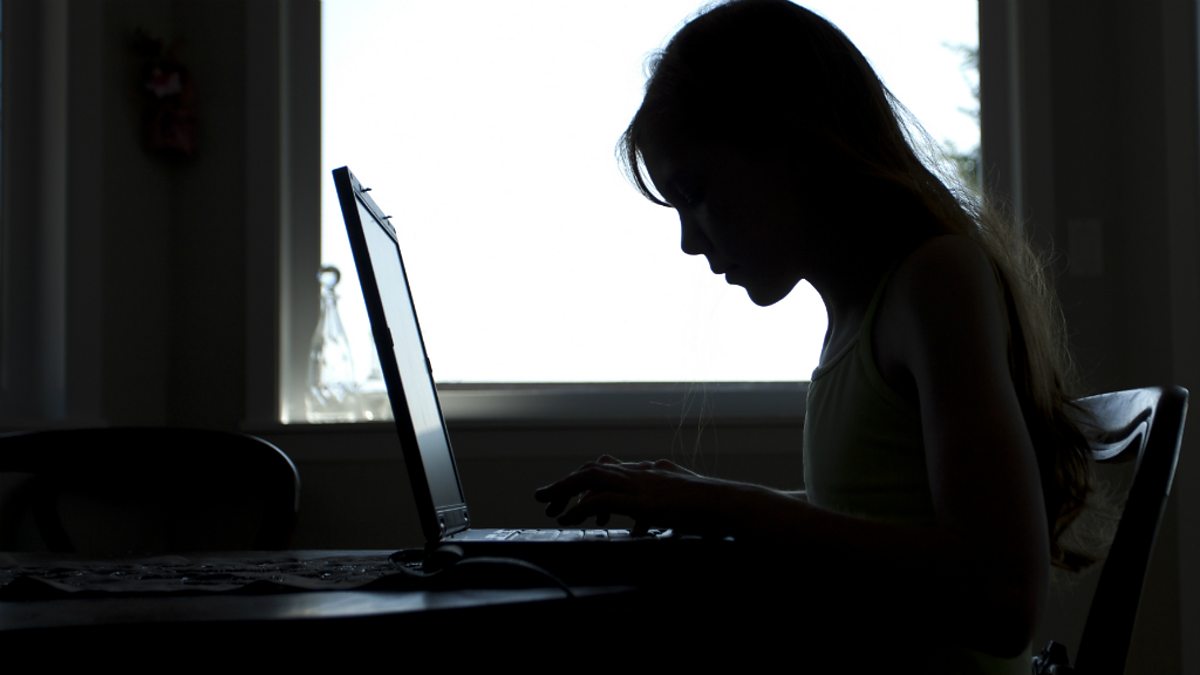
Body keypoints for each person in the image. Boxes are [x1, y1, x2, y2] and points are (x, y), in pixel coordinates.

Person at [533, 1, 1092, 672]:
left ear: (790, 147)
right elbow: (884, 519)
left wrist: (726, 505)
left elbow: (1002, 600)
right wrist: (705, 499)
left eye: (696, 193)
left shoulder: (934, 281)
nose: (688, 241)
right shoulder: (860, 318)